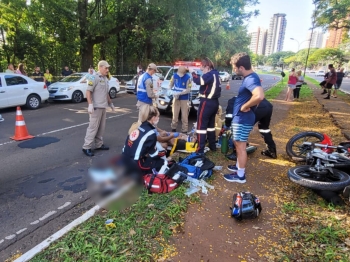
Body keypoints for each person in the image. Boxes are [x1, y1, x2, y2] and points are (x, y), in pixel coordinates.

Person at [224, 52, 264, 183]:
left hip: (242, 119)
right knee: (237, 144)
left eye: (234, 68)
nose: (233, 70)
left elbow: (259, 96)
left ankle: (240, 175)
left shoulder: (251, 78)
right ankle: (237, 166)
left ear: (241, 67)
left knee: (240, 147)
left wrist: (244, 106)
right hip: (241, 119)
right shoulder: (250, 78)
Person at [82, 60, 115, 157]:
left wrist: (111, 103)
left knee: (101, 128)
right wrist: (90, 104)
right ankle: (86, 147)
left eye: (108, 68)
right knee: (93, 128)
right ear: (100, 67)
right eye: (106, 68)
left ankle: (98, 144)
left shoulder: (105, 78)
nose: (108, 70)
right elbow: (88, 92)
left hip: (103, 106)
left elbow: (106, 93)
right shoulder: (93, 77)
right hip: (96, 107)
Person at [123, 105, 166, 174]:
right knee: (161, 162)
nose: (158, 118)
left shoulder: (137, 128)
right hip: (136, 164)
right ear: (153, 118)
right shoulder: (151, 133)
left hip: (124, 160)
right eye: (158, 116)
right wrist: (164, 152)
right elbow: (154, 155)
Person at [192, 57, 221, 153]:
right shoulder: (216, 74)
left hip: (206, 102)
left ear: (207, 66)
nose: (202, 71)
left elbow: (199, 81)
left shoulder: (209, 75)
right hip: (215, 102)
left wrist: (193, 74)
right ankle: (212, 145)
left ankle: (200, 149)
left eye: (203, 69)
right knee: (210, 125)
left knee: (201, 126)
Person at [169, 66, 191, 133]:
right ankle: (173, 128)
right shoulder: (174, 76)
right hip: (176, 97)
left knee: (184, 115)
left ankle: (184, 130)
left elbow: (188, 89)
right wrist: (171, 92)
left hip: (184, 98)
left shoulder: (188, 78)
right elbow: (170, 85)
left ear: (184, 73)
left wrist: (180, 93)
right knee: (175, 114)